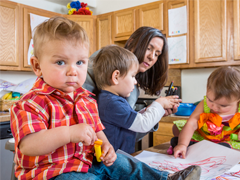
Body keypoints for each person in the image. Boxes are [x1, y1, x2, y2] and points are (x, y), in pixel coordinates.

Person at [10, 16, 201, 180]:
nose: (72, 71)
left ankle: (163, 178)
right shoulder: (31, 102)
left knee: (125, 163)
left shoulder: (86, 98)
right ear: (37, 66)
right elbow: (28, 145)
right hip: (51, 172)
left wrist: (108, 146)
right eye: (60, 62)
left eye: (80, 62)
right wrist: (69, 133)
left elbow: (97, 129)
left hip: (86, 163)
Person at [83, 26, 179, 141]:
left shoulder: (132, 91)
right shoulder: (105, 61)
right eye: (148, 48)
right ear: (132, 43)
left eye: (157, 54)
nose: (151, 57)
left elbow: (126, 132)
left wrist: (153, 114)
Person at [93, 45, 181, 154]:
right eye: (133, 76)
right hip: (115, 162)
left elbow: (130, 119)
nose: (135, 82)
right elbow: (142, 124)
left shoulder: (109, 99)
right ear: (116, 77)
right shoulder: (112, 103)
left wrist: (149, 110)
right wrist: (159, 103)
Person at [171, 66, 240, 159]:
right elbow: (191, 124)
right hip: (205, 137)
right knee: (177, 126)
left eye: (223, 106)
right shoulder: (204, 104)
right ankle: (187, 145)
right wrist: (182, 144)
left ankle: (223, 149)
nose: (214, 107)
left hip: (229, 139)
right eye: (210, 100)